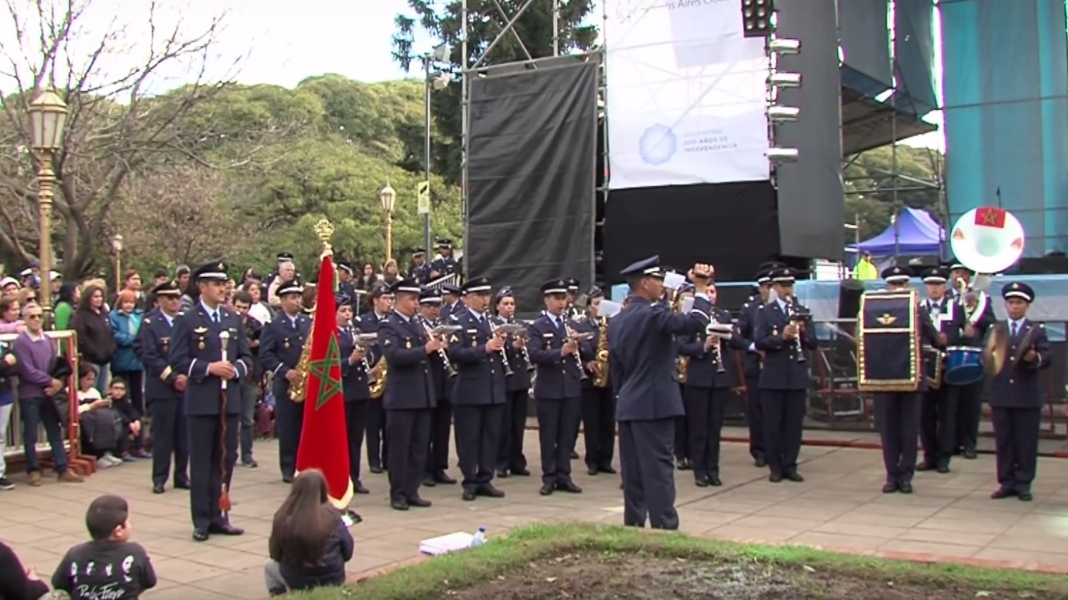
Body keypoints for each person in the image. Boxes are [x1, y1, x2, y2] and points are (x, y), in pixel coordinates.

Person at [609, 257, 713, 529]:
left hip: (630, 404)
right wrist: (701, 289)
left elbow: (617, 369)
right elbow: (696, 322)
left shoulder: (618, 320)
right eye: (657, 279)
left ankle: (633, 524)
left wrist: (624, 397)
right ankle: (664, 527)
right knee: (658, 471)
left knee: (633, 473)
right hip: (654, 404)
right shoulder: (652, 315)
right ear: (644, 283)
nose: (662, 284)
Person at [168, 261, 252, 541]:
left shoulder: (232, 319)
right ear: (202, 287)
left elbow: (246, 358)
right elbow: (178, 359)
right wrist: (209, 368)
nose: (222, 289)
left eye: (224, 283)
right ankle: (201, 519)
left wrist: (236, 370)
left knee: (225, 460)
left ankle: (220, 514)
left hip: (229, 401)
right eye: (216, 284)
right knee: (202, 460)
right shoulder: (187, 319)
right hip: (203, 400)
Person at [866, 266, 941, 494]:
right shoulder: (873, 309)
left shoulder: (917, 309)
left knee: (909, 430)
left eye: (902, 284)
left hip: (911, 378)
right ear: (887, 287)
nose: (898, 289)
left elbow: (935, 340)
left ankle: (906, 475)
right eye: (894, 285)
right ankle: (891, 475)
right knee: (888, 430)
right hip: (884, 378)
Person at [378, 279, 439, 510]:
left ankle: (413, 490)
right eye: (413, 300)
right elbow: (394, 356)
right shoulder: (389, 326)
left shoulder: (417, 325)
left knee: (419, 446)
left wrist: (435, 348)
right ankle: (398, 493)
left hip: (422, 394)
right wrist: (425, 350)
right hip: (402, 397)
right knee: (400, 448)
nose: (417, 304)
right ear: (401, 300)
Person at [754, 266, 818, 483]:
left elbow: (813, 342)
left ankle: (791, 464)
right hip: (774, 376)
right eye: (782, 286)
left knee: (793, 425)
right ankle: (775, 466)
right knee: (773, 424)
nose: (787, 290)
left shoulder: (802, 310)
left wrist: (802, 332)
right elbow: (760, 341)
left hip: (796, 376)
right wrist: (781, 337)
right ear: (775, 288)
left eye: (790, 285)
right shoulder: (765, 312)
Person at [446, 276, 507, 502]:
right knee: (469, 438)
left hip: (492, 388)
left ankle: (485, 478)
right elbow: (455, 354)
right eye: (481, 296)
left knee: (490, 436)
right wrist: (484, 348)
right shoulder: (458, 321)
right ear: (468, 298)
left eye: (487, 295)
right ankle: (470, 480)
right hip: (470, 390)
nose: (485, 300)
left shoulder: (491, 322)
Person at [989, 282, 1050, 502]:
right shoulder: (997, 329)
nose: (1015, 307)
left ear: (1027, 305)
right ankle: (1006, 482)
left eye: (1019, 303)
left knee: (1025, 441)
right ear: (1005, 304)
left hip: (1026, 396)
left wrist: (1035, 359)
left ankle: (1024, 482)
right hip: (1002, 394)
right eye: (1011, 303)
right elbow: (988, 357)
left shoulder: (1035, 330)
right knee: (1004, 441)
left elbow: (1046, 358)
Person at [13, 302, 83, 485]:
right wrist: (51, 381)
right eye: (32, 316)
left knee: (54, 431)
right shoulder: (21, 342)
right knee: (30, 434)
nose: (36, 320)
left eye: (39, 316)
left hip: (49, 393)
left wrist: (57, 384)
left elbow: (55, 364)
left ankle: (62, 467)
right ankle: (33, 470)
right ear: (25, 319)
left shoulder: (47, 339)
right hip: (30, 394)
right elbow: (27, 371)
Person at [527, 279, 585, 496]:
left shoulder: (571, 325)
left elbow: (586, 349)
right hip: (549, 389)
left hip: (569, 387)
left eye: (564, 299)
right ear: (547, 300)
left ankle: (564, 475)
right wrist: (560, 352)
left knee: (567, 434)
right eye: (558, 299)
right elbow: (535, 355)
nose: (562, 303)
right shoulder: (537, 327)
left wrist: (581, 343)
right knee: (549, 435)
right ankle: (549, 477)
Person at [135, 280, 190, 494]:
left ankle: (181, 475)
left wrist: (186, 375)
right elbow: (150, 354)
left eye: (177, 297)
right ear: (159, 300)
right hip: (162, 386)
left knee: (184, 435)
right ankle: (160, 478)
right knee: (163, 436)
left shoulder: (184, 321)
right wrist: (172, 377)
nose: (175, 302)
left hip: (185, 386)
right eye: (170, 298)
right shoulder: (151, 323)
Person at [678, 281, 734, 487]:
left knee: (715, 427)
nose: (710, 295)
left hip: (718, 378)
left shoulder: (723, 315)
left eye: (713, 291)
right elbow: (682, 346)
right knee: (699, 427)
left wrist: (728, 335)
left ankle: (713, 469)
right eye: (707, 292)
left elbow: (736, 341)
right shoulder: (693, 317)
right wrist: (703, 346)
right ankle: (699, 470)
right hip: (699, 378)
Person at [51, 494, 157, 600]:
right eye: (128, 522)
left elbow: (59, 584)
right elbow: (149, 581)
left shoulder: (75, 553)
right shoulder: (135, 552)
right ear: (118, 531)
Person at [266, 470, 354, 596]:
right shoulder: (333, 515)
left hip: (296, 580)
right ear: (323, 489)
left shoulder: (282, 516)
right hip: (332, 579)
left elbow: (275, 553)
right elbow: (347, 552)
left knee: (270, 568)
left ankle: (280, 596)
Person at [259, 277, 311, 483]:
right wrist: (284, 371)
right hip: (287, 384)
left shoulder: (307, 322)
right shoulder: (273, 325)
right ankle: (288, 467)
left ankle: (305, 463)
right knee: (288, 426)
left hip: (306, 382)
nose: (297, 301)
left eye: (298, 297)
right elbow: (266, 355)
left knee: (305, 426)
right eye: (292, 298)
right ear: (282, 301)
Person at [732, 263, 782, 468]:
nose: (769, 290)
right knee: (757, 411)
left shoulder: (784, 308)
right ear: (761, 288)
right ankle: (760, 450)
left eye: (773, 285)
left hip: (778, 365)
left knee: (778, 411)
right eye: (766, 286)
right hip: (757, 366)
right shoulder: (751, 308)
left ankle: (779, 451)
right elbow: (736, 337)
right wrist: (753, 346)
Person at [917, 266, 965, 473]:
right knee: (925, 414)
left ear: (944, 287)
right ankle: (929, 455)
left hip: (948, 367)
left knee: (947, 414)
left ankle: (944, 457)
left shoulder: (956, 307)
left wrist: (950, 340)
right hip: (926, 367)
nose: (934, 289)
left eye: (938, 285)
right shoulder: (919, 307)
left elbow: (965, 333)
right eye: (930, 285)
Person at [947, 261, 996, 458]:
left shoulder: (982, 299)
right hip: (950, 355)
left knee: (971, 403)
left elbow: (991, 322)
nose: (959, 276)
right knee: (949, 405)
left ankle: (969, 444)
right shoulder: (947, 298)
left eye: (963, 272)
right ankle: (950, 444)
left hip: (973, 355)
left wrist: (977, 318)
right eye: (955, 272)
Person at [574, 286, 616, 476]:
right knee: (592, 423)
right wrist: (586, 363)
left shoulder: (612, 325)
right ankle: (592, 460)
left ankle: (606, 459)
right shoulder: (580, 326)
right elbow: (575, 353)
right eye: (596, 304)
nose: (600, 307)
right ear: (589, 307)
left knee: (608, 422)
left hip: (609, 379)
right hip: (589, 381)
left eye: (602, 303)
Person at [418, 287, 458, 485]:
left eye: (437, 306)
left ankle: (439, 467)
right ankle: (425, 468)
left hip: (445, 382)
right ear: (421, 307)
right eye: (430, 306)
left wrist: (448, 345)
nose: (435, 310)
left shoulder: (443, 326)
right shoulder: (419, 327)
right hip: (428, 381)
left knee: (443, 428)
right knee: (428, 429)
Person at [491, 286, 531, 479]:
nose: (509, 307)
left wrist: (523, 344)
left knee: (518, 423)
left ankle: (517, 460)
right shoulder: (494, 325)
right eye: (505, 304)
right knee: (503, 422)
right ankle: (501, 461)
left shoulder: (520, 324)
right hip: (503, 379)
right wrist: (511, 346)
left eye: (512, 304)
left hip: (519, 379)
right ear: (497, 306)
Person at [336, 293, 372, 496]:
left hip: (359, 391)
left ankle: (354, 476)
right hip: (343, 391)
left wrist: (367, 353)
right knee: (342, 438)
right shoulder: (331, 335)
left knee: (356, 439)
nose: (348, 315)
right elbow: (325, 364)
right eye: (342, 311)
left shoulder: (355, 332)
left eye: (349, 311)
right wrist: (349, 361)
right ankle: (341, 477)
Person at [357, 285, 393, 474]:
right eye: (386, 298)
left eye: (390, 298)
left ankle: (388, 458)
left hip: (391, 376)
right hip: (373, 375)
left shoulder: (393, 321)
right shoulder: (363, 321)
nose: (389, 302)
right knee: (373, 422)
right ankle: (374, 460)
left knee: (390, 423)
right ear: (375, 300)